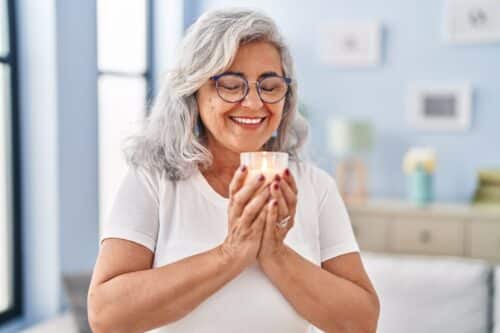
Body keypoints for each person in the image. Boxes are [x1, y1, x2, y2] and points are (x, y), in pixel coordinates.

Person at [88, 8, 379, 333]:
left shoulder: (316, 187)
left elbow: (362, 322)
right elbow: (106, 316)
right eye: (230, 84)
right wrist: (231, 253)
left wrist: (275, 254)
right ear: (194, 91)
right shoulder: (152, 180)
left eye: (269, 86)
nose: (254, 103)